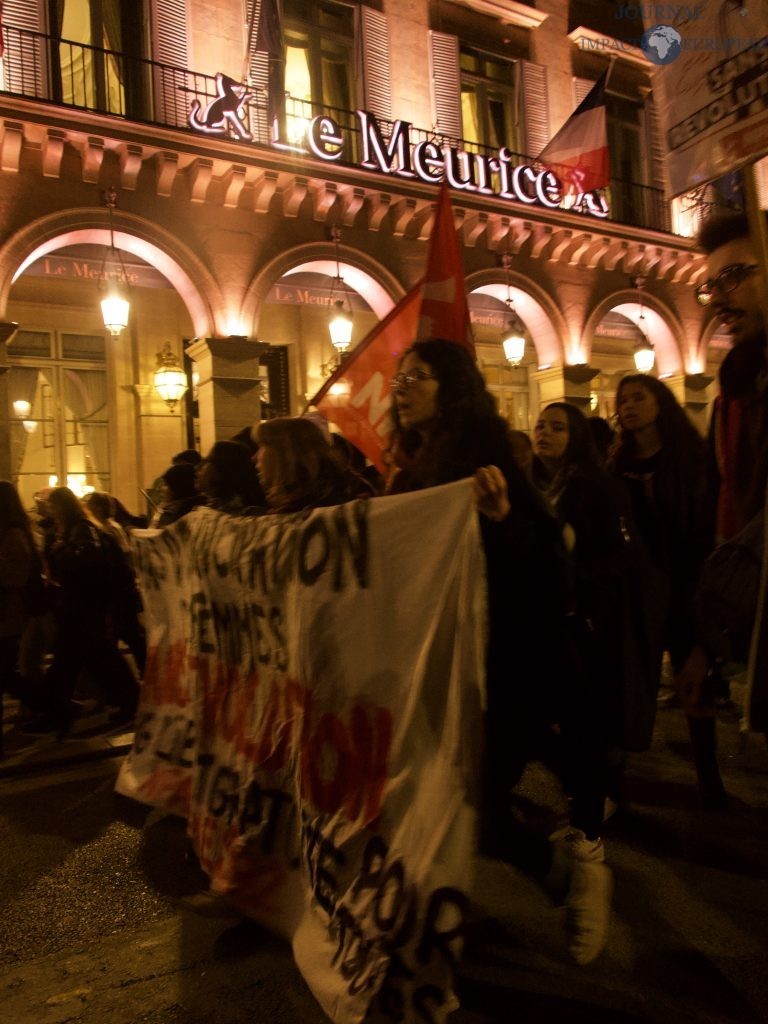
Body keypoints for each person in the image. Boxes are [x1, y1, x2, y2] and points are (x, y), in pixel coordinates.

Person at [387, 340, 609, 965]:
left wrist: (505, 517)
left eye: (419, 376)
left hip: (510, 657)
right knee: (455, 798)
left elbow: (545, 562)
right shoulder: (414, 463)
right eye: (400, 376)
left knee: (483, 801)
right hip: (446, 654)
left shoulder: (488, 458)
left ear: (451, 387)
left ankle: (575, 870)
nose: (402, 386)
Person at [611, 375, 724, 805]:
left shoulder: (690, 459)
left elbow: (701, 526)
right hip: (638, 589)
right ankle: (615, 770)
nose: (629, 406)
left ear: (661, 403)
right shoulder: (618, 464)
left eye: (639, 398)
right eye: (623, 400)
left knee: (693, 678)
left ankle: (708, 774)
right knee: (629, 679)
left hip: (684, 585)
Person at [676, 214, 768, 730]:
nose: (717, 298)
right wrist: (705, 643)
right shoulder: (732, 400)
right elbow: (722, 520)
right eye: (711, 284)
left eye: (735, 276)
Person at [30, 487, 139, 737]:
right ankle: (59, 710)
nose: (49, 510)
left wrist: (58, 551)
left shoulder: (83, 529)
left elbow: (84, 563)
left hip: (84, 604)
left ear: (64, 507)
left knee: (95, 656)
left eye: (54, 505)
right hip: (75, 604)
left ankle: (127, 701)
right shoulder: (67, 529)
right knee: (72, 659)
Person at [255, 417, 372, 512]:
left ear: (285, 454)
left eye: (261, 446)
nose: (255, 457)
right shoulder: (306, 500)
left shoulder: (334, 503)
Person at [0, 481, 39, 754]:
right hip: (6, 612)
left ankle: (51, 702)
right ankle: (51, 703)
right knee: (5, 673)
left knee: (5, 673)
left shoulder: (14, 534)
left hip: (8, 614)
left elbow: (17, 576)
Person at [196, 440, 266, 515]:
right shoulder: (204, 506)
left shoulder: (247, 515)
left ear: (221, 469)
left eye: (206, 461)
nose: (198, 467)